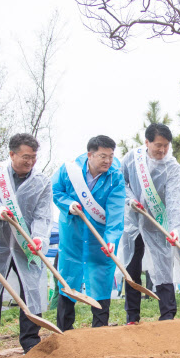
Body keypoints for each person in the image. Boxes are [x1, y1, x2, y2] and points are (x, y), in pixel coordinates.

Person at [0, 133, 53, 358]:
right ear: (12, 154)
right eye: (25, 157)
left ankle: (30, 341)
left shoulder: (42, 181)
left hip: (25, 245)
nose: (30, 162)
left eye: (33, 157)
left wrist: (39, 238)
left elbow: (43, 215)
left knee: (31, 290)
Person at [52, 135, 125, 330]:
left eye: (110, 156)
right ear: (89, 155)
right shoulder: (69, 171)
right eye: (103, 156)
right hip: (73, 234)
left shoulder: (115, 177)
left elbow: (116, 212)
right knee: (68, 278)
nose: (108, 161)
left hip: (99, 237)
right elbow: (56, 192)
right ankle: (64, 330)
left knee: (102, 277)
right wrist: (69, 204)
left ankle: (99, 331)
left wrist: (111, 240)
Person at [119, 123, 180, 324]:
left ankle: (167, 314)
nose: (162, 150)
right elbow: (120, 183)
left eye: (166, 145)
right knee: (132, 266)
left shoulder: (172, 166)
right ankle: (132, 316)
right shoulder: (132, 158)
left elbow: (175, 199)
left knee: (163, 265)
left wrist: (175, 228)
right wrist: (130, 200)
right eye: (158, 145)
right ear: (146, 142)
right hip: (132, 220)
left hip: (157, 221)